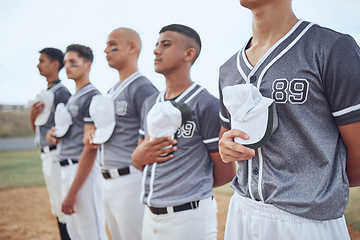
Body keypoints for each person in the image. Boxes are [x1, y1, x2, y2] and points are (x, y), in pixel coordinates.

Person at [218, 0, 360, 239]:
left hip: (307, 222)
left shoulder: (332, 48)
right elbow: (226, 139)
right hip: (241, 209)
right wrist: (227, 147)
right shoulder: (228, 68)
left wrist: (312, 188)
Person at [132, 24, 236, 240]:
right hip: (150, 214)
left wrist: (190, 187)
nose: (156, 50)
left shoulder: (206, 104)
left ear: (189, 54)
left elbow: (226, 171)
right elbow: (142, 155)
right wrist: (136, 158)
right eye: (156, 44)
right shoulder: (150, 102)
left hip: (189, 217)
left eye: (166, 44)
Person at [82, 27, 158, 240]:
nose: (106, 49)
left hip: (130, 179)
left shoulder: (143, 88)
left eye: (112, 44)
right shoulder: (111, 90)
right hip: (107, 178)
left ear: (132, 47)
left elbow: (151, 138)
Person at [46, 44, 108, 240]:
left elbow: (91, 147)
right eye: (66, 63)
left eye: (73, 62)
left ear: (88, 64)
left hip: (83, 171)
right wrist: (55, 135)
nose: (68, 67)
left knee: (91, 233)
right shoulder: (74, 98)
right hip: (66, 167)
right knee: (75, 234)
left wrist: (73, 192)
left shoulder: (92, 96)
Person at [30, 47, 71, 240]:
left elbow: (70, 127)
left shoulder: (61, 93)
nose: (38, 65)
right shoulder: (48, 92)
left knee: (63, 208)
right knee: (57, 206)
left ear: (55, 64)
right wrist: (32, 119)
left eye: (42, 60)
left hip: (56, 155)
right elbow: (39, 133)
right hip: (47, 154)